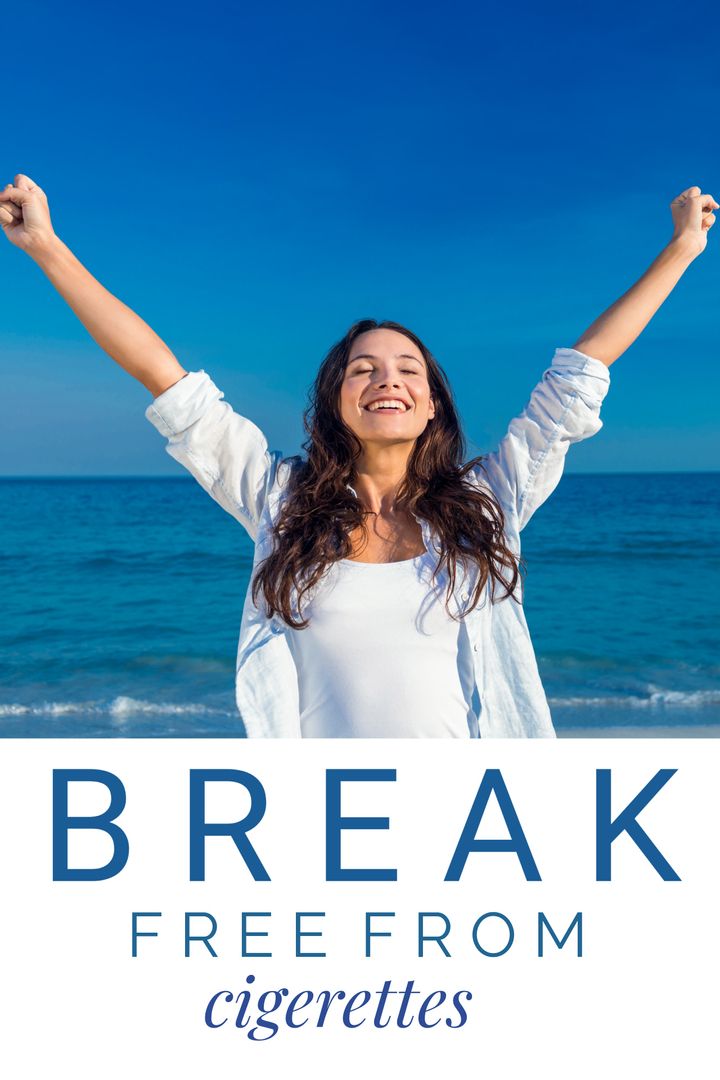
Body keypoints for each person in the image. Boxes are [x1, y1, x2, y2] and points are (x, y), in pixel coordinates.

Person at [1, 175, 716, 738]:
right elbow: (166, 379)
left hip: (472, 814)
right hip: (326, 822)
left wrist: (683, 247)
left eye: (408, 369)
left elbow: (582, 372)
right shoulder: (277, 499)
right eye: (363, 369)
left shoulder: (489, 501)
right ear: (335, 401)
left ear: (432, 404)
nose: (387, 380)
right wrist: (47, 248)